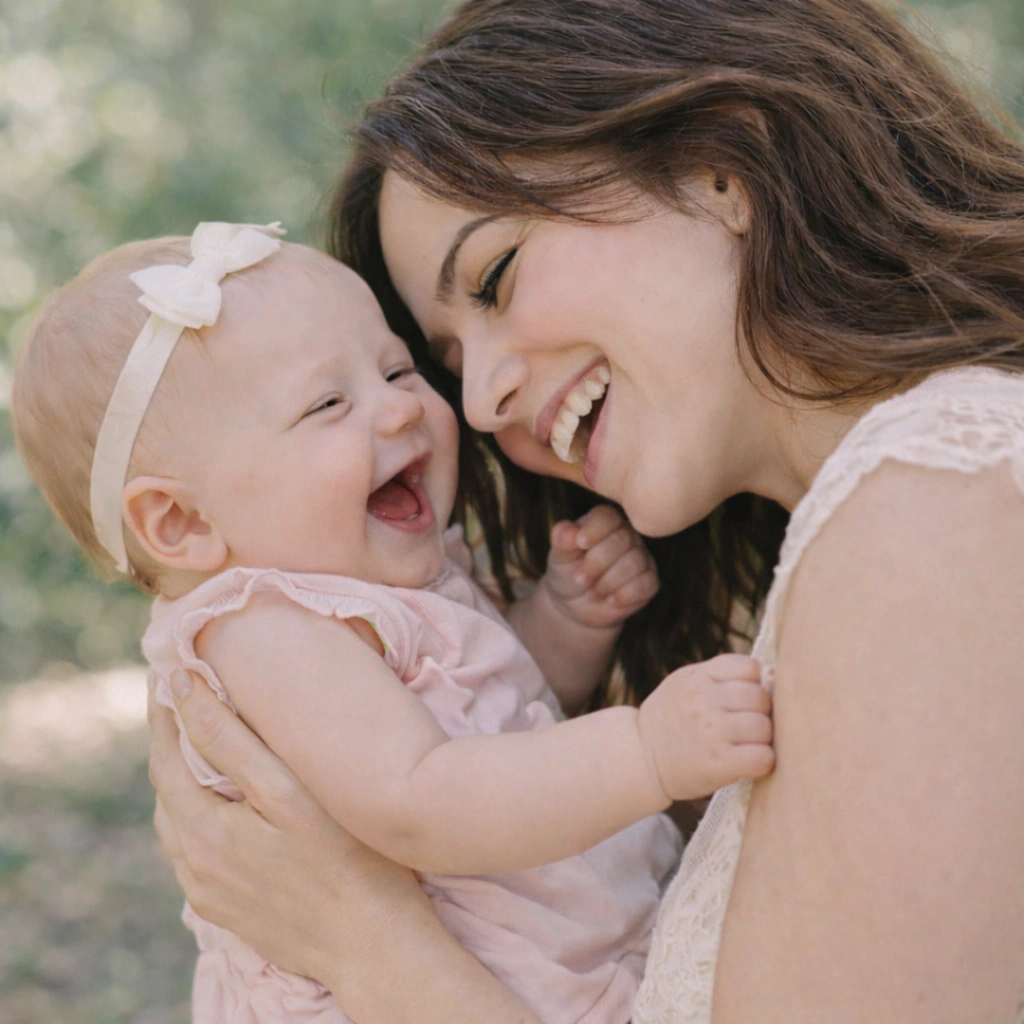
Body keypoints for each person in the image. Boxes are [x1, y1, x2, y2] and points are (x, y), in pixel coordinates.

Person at [146, 0, 1024, 1019]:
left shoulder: (934, 502)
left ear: (722, 165)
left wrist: (358, 936)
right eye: (450, 362)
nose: (474, 405)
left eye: (496, 275)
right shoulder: (869, 534)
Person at [11, 222, 776, 1023]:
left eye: (397, 369)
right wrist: (648, 751)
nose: (400, 410)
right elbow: (422, 798)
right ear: (179, 523)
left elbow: (496, 714)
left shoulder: (374, 583)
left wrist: (560, 619)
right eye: (329, 403)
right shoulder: (262, 633)